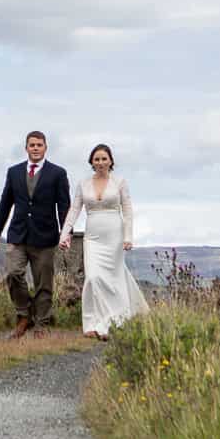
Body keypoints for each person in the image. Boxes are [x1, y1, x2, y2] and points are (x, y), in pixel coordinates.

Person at [0, 130, 71, 339]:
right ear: (26, 148)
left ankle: (41, 324)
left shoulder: (58, 173)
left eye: (39, 145)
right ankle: (24, 315)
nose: (35, 148)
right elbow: (5, 203)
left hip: (45, 237)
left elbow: (64, 206)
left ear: (45, 147)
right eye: (32, 145)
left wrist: (66, 233)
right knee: (13, 274)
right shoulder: (14, 172)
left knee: (44, 283)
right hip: (18, 234)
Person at [61, 142, 148, 340]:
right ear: (91, 162)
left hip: (115, 237)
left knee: (114, 279)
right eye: (97, 159)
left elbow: (127, 210)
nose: (100, 162)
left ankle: (112, 322)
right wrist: (65, 234)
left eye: (104, 159)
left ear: (110, 161)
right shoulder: (83, 184)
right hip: (92, 237)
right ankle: (91, 323)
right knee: (93, 278)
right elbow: (74, 210)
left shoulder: (120, 182)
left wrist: (128, 237)